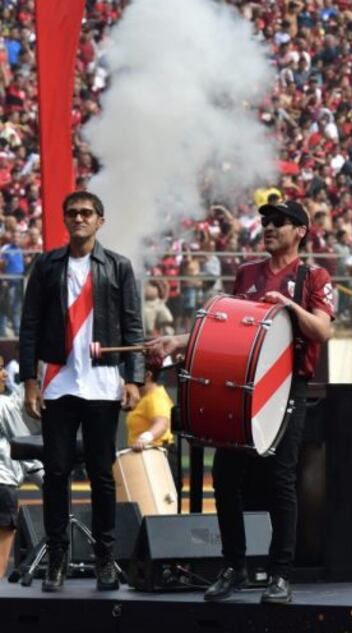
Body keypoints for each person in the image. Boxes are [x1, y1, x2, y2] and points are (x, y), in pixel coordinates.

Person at [149, 200, 334, 604]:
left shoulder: (313, 276)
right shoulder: (247, 272)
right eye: (266, 221)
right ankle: (234, 566)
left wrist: (290, 307)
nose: (269, 227)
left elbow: (322, 330)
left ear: (300, 231)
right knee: (227, 478)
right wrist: (179, 342)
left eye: (280, 222)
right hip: (243, 389)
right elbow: (228, 329)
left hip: (287, 389)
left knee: (279, 480)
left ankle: (280, 573)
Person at [19, 190, 144, 592]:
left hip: (104, 384)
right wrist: (30, 381)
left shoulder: (118, 267)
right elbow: (30, 326)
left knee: (101, 476)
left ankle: (105, 559)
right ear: (64, 219)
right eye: (72, 212)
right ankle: (57, 557)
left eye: (86, 213)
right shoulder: (47, 265)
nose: (79, 218)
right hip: (58, 383)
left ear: (100, 221)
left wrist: (134, 379)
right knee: (55, 474)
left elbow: (132, 325)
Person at [0, 355, 43, 578]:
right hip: (3, 487)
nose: (5, 374)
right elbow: (24, 446)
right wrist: (47, 481)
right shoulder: (3, 405)